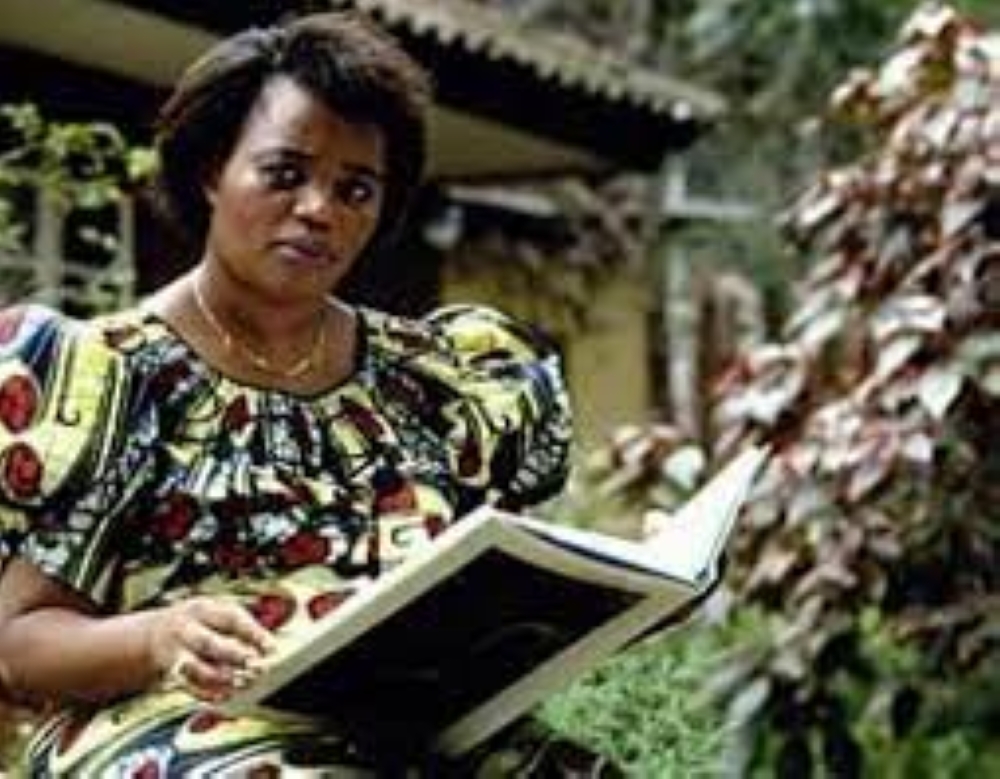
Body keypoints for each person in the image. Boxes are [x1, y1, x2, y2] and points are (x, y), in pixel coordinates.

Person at [0, 11, 613, 777]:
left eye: (355, 188)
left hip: (406, 725)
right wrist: (157, 636)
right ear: (211, 172)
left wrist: (624, 592)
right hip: (178, 726)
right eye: (285, 174)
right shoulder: (117, 377)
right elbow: (18, 642)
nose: (321, 209)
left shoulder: (429, 381)